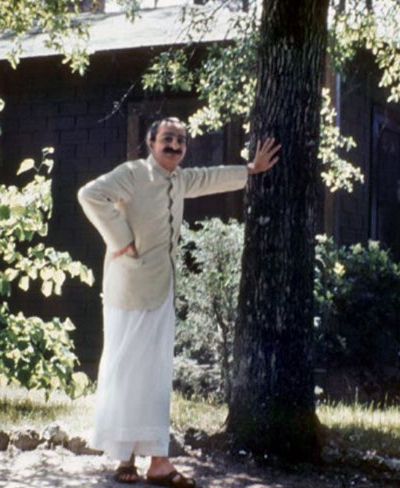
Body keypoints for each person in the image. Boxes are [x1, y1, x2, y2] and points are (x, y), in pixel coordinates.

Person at [77, 117, 280, 487]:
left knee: (156, 374)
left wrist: (250, 169)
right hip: (129, 286)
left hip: (162, 288)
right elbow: (90, 194)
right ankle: (124, 456)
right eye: (168, 139)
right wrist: (121, 240)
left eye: (181, 141)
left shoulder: (180, 179)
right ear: (151, 142)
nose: (175, 146)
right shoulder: (134, 173)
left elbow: (209, 177)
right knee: (126, 368)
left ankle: (158, 460)